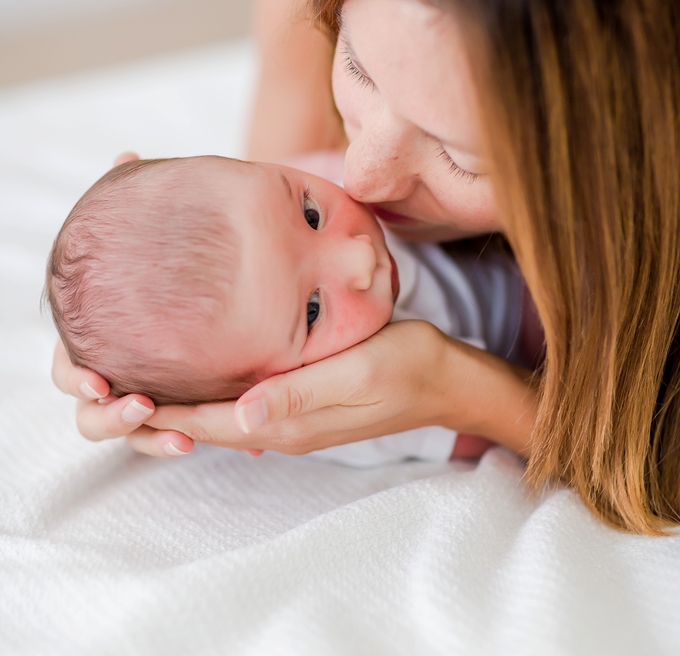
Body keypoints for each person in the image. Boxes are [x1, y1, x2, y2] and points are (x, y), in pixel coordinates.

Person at [52, 0, 680, 533]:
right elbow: (240, 257)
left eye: (463, 155)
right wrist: (138, 352)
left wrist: (456, 389)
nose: (364, 178)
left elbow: (655, 470)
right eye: (357, 65)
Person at [47, 154, 524, 464]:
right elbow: (480, 436)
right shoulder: (359, 414)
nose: (360, 257)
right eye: (313, 311)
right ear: (270, 389)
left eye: (311, 215)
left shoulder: (334, 169)